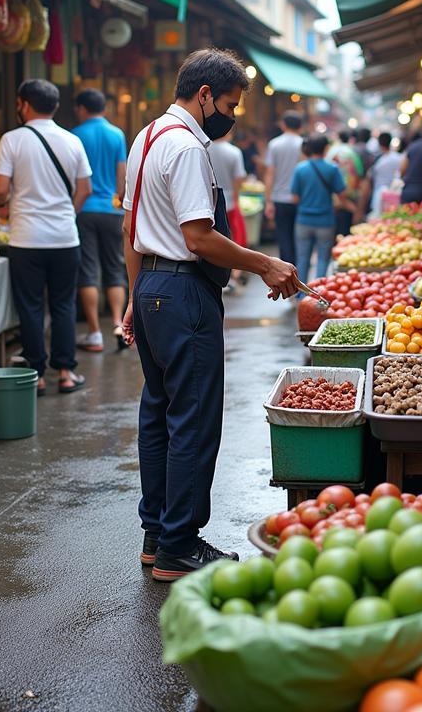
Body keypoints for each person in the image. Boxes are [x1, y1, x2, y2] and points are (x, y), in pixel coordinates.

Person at [121, 49, 297, 581]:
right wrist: (264, 263)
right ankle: (179, 546)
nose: (232, 116)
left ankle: (157, 536)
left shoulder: (145, 138)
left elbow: (131, 227)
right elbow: (198, 237)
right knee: (193, 420)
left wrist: (135, 296)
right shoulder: (188, 148)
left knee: (158, 415)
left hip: (154, 286)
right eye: (229, 104)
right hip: (183, 294)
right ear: (203, 96)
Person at [0, 80, 92, 396]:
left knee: (31, 307)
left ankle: (36, 375)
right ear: (56, 107)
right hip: (65, 237)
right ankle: (65, 372)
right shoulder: (72, 140)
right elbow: (85, 189)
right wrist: (66, 215)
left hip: (26, 239)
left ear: (23, 104)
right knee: (63, 305)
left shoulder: (11, 140)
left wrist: (3, 202)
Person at [71, 88, 128, 354]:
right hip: (111, 210)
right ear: (104, 108)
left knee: (89, 271)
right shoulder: (117, 134)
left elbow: (75, 178)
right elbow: (122, 176)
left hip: (83, 209)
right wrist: (119, 201)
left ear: (82, 109)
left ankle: (94, 333)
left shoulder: (75, 135)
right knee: (115, 268)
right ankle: (118, 324)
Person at [291, 134, 348, 284]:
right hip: (325, 221)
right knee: (323, 258)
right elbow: (342, 193)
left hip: (303, 220)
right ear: (326, 148)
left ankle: (301, 295)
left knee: (303, 258)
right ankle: (318, 294)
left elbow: (295, 198)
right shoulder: (332, 169)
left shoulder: (300, 169)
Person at [209, 127, 248, 288]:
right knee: (235, 238)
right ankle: (233, 275)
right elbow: (239, 178)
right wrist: (236, 197)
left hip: (208, 202)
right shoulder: (234, 152)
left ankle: (216, 273)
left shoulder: (203, 148)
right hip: (230, 202)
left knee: (212, 239)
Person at [263, 111, 304, 266]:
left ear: (283, 125)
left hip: (279, 198)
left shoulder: (274, 144)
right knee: (298, 237)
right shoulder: (303, 143)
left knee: (284, 237)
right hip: (299, 198)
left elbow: (270, 173)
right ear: (300, 126)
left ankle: (287, 273)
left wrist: (268, 200)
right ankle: (299, 272)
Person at [327, 130, 363, 237]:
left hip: (332, 195)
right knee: (345, 228)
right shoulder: (351, 153)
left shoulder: (330, 151)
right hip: (348, 194)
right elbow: (358, 173)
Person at [368, 132, 404, 217]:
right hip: (396, 195)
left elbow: (370, 177)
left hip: (379, 196)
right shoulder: (399, 158)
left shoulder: (378, 160)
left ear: (379, 143)